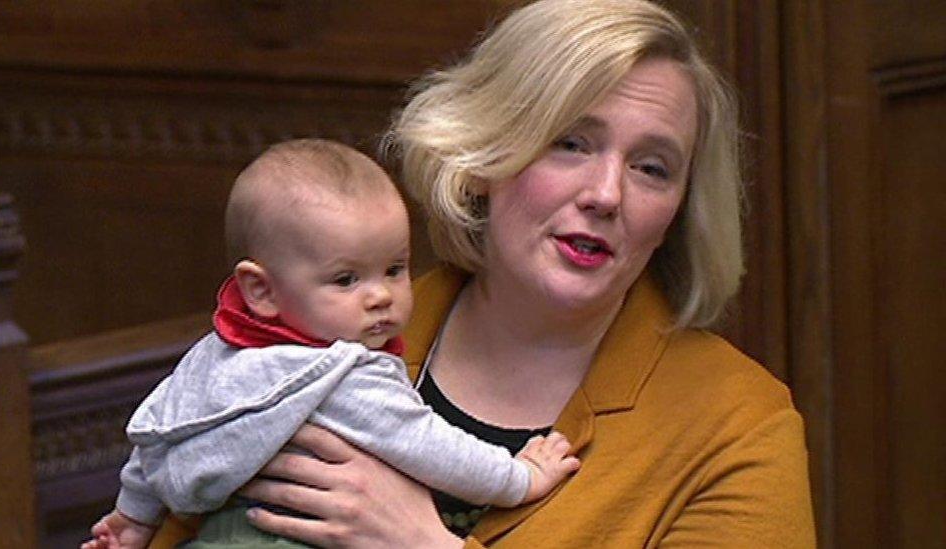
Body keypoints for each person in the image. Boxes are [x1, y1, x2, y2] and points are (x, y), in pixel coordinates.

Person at [149, 0, 817, 547]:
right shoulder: (316, 334)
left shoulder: (737, 426)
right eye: (571, 141)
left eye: (652, 167)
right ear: (485, 153)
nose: (607, 194)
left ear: (677, 210)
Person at [82, 139, 580, 549]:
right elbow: (432, 447)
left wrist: (134, 516)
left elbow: (161, 434)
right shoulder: (343, 375)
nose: (380, 296)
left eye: (394, 269)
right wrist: (521, 479)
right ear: (262, 290)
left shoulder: (219, 355)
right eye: (346, 279)